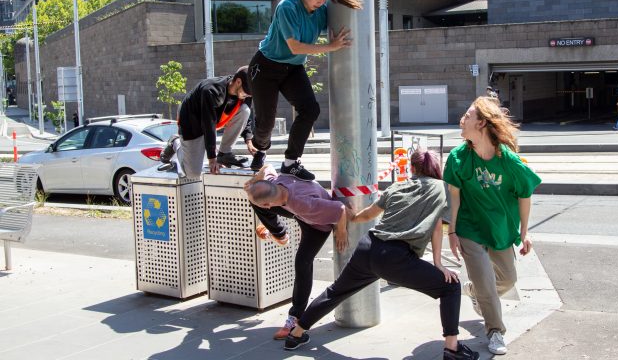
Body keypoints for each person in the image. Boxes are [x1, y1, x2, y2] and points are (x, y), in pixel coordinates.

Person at [284, 149, 480, 360]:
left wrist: (351, 215)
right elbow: (436, 227)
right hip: (396, 258)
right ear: (435, 168)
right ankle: (452, 348)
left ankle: (295, 334)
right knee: (450, 286)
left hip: (368, 247)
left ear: (412, 168)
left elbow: (367, 215)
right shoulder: (442, 189)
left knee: (335, 292)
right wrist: (438, 263)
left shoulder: (397, 186)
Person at [443, 97, 541, 356]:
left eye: (467, 116)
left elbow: (524, 194)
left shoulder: (508, 161)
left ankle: (474, 291)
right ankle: (495, 331)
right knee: (486, 281)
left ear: (482, 123)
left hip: (499, 227)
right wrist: (452, 230)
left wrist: (524, 232)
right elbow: (454, 195)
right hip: (469, 227)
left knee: (508, 279)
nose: (461, 120)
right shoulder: (458, 158)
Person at [247, 0, 363, 181]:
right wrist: (331, 46)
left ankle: (291, 162)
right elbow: (295, 47)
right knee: (266, 124)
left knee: (310, 109)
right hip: (266, 67)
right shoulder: (287, 7)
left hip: (292, 68)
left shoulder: (322, 10)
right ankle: (259, 147)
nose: (320, 3)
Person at [244, 164, 351, 340]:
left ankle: (295, 317)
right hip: (296, 212)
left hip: (316, 225)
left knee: (302, 263)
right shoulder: (276, 181)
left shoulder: (303, 204)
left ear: (268, 204)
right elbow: (267, 167)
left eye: (263, 205)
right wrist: (254, 181)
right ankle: (279, 233)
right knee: (251, 197)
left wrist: (341, 231)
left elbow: (339, 209)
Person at [160, 66, 256, 178]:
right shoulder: (211, 90)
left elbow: (246, 117)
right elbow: (208, 123)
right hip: (191, 121)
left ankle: (224, 153)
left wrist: (249, 140)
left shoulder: (246, 93)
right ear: (238, 82)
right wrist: (212, 158)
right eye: (247, 93)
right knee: (193, 173)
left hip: (214, 119)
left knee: (245, 110)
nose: (248, 96)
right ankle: (176, 142)